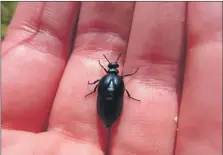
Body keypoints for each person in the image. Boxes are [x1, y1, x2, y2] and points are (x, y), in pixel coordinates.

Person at [2, 2, 222, 155]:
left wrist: (94, 89)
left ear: (110, 69)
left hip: (107, 109)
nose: (112, 66)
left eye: (111, 65)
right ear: (115, 69)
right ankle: (109, 119)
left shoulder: (108, 79)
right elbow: (119, 91)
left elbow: (107, 89)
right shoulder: (115, 79)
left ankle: (108, 119)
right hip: (111, 110)